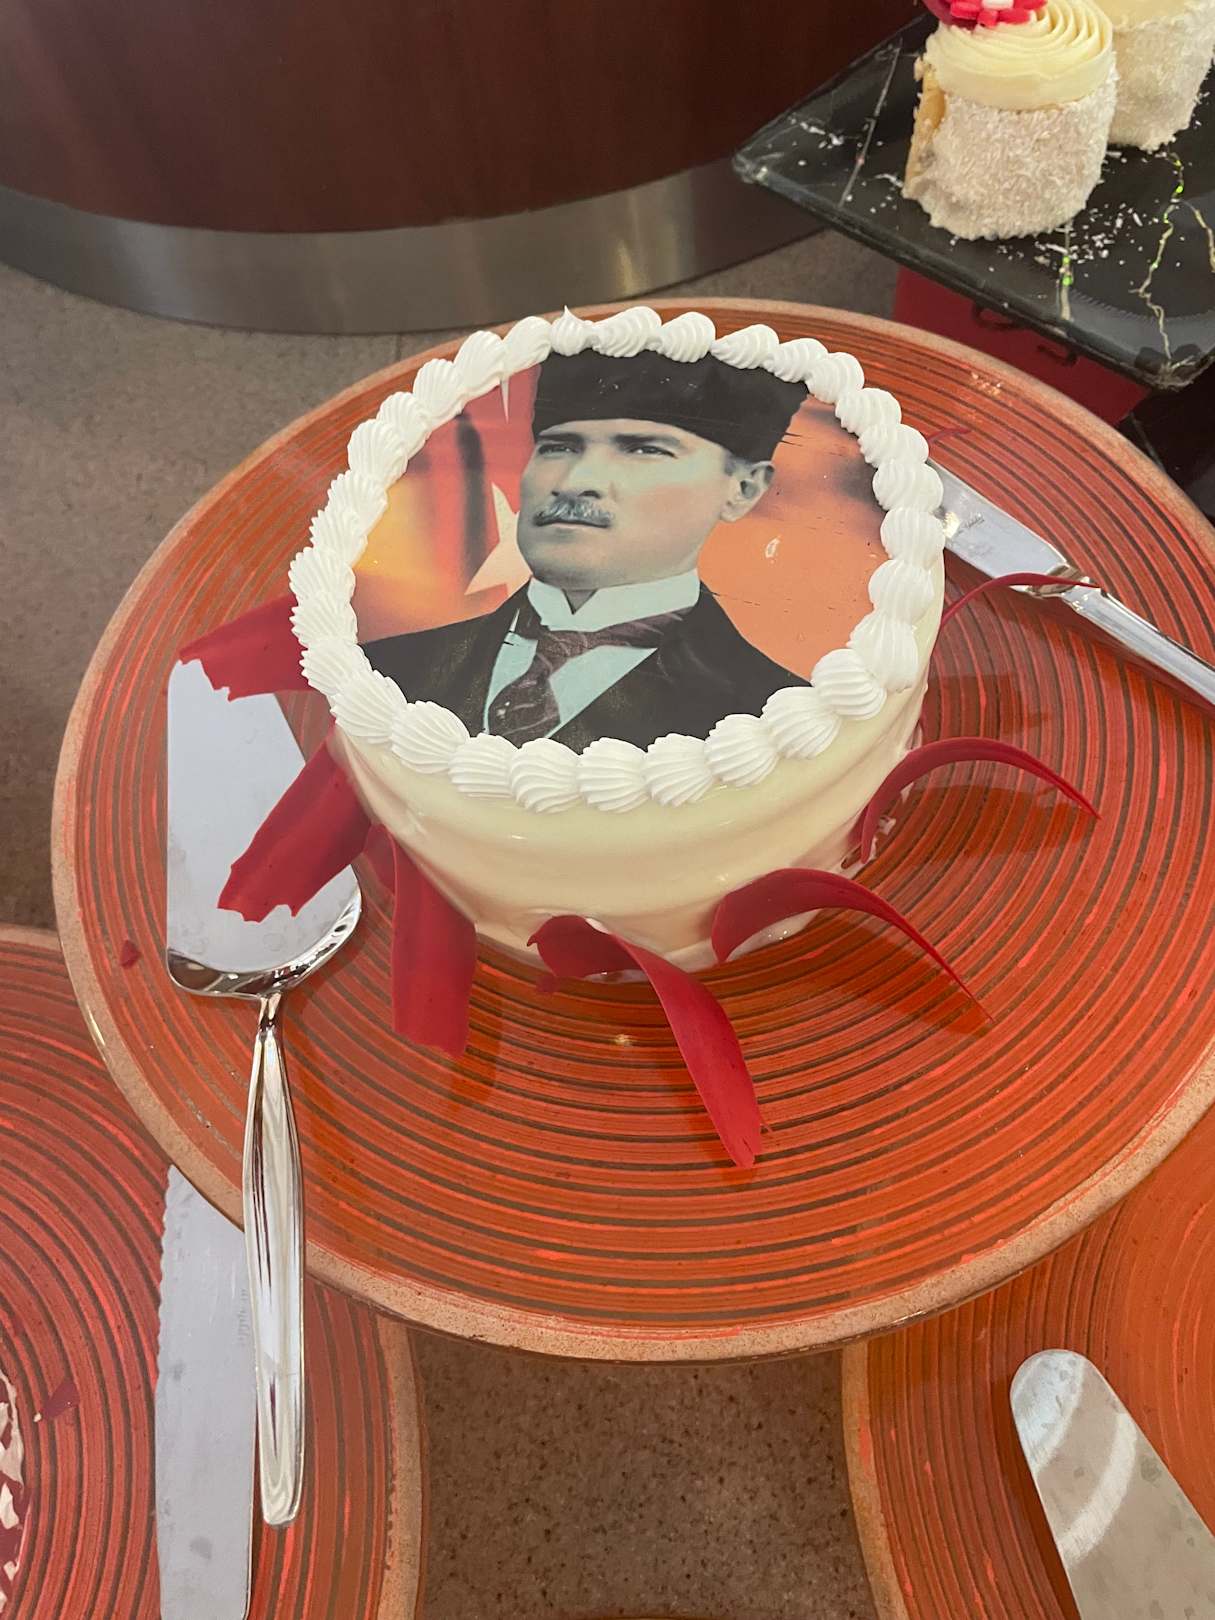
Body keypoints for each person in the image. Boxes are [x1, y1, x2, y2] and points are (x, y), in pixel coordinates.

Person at [362, 346, 808, 752]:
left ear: (744, 489)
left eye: (644, 450)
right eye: (557, 447)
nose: (574, 482)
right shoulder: (384, 670)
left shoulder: (772, 717)